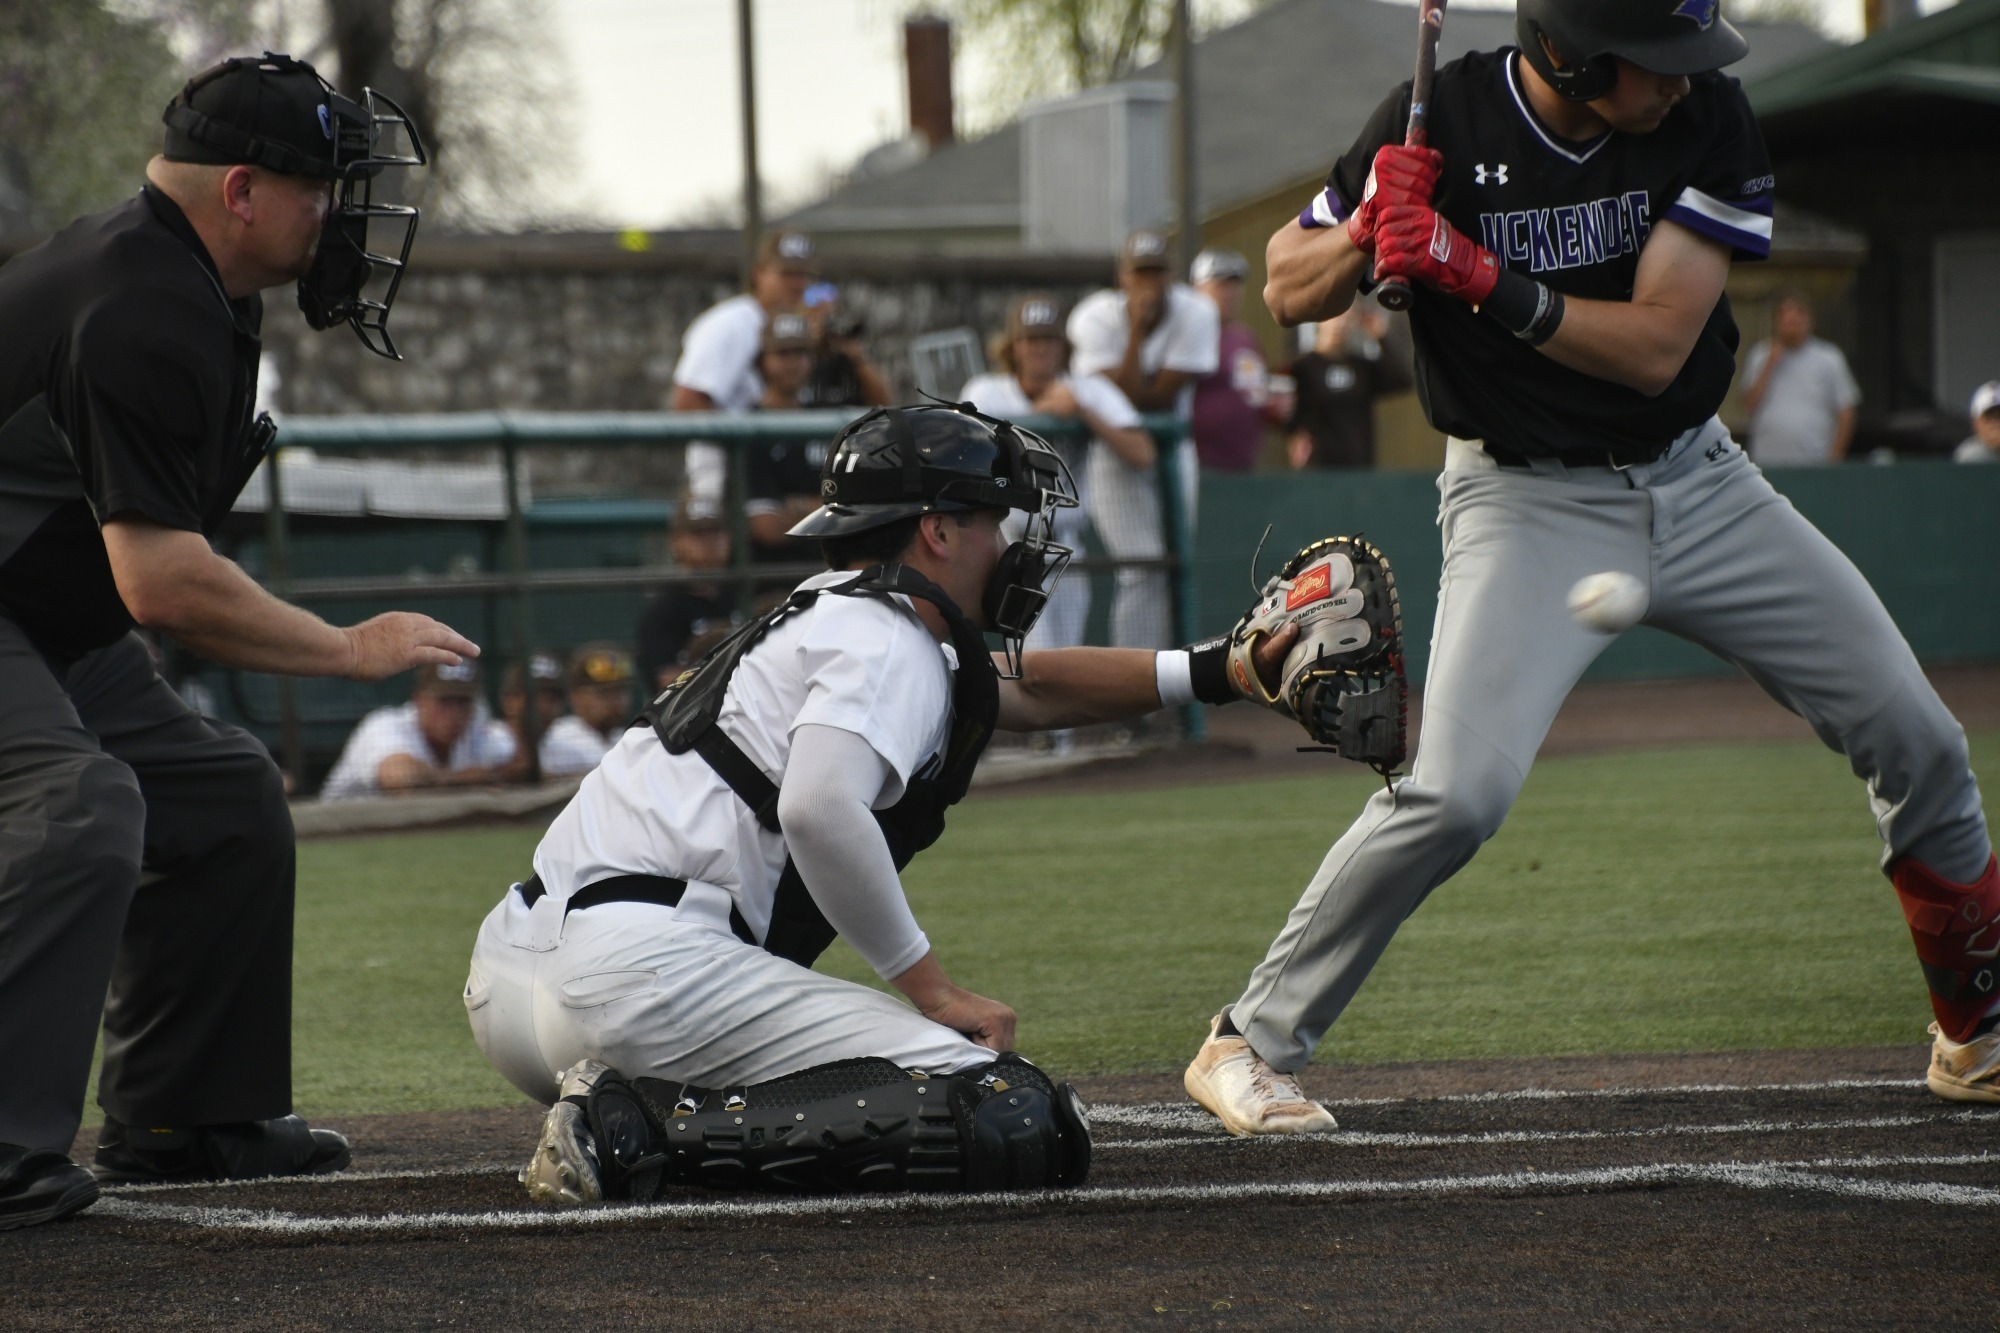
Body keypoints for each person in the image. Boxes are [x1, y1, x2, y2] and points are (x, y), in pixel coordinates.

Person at [1184, 0, 1998, 1137]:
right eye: (1652, 62)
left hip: (1700, 482)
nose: (1677, 79)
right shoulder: (1444, 115)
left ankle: (1975, 1035)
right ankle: (1246, 1041)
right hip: (1521, 499)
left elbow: (1654, 342)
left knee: (1915, 736)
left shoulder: (1705, 113)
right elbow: (1283, 283)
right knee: (1456, 794)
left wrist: (1470, 272)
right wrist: (1370, 228)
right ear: (1569, 51)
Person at [464, 404, 1291, 1204]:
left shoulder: (831, 614)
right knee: (1012, 1111)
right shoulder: (887, 637)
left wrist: (1222, 671)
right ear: (936, 529)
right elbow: (819, 808)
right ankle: (631, 1126)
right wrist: (932, 989)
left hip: (513, 975)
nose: (1006, 543)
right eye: (992, 519)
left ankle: (615, 1107)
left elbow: (1024, 687)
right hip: (642, 980)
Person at [0, 53, 473, 1231]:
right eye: (322, 187)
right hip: (23, 611)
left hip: (38, 613)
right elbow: (162, 581)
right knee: (80, 808)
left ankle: (180, 1112)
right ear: (244, 190)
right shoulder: (140, 297)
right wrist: (347, 647)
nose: (341, 217)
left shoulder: (191, 280)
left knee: (220, 798)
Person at [960, 293, 1155, 650]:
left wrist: (1083, 413)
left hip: (1067, 547)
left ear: (1063, 347)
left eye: (1048, 340)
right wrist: (1039, 420)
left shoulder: (1087, 390)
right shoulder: (987, 391)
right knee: (1033, 661)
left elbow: (1143, 453)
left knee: (1065, 658)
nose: (1040, 349)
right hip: (1008, 543)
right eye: (1030, 340)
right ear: (1013, 347)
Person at [1066, 230, 1220, 648]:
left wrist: (1125, 380)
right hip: (1112, 455)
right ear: (1122, 278)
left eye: (1157, 273)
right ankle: (1132, 684)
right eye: (1140, 274)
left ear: (1172, 276)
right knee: (1140, 569)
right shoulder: (1094, 316)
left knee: (1173, 568)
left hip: (1174, 454)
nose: (1148, 285)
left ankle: (1165, 686)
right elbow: (1123, 399)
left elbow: (1155, 399)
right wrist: (1135, 330)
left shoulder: (1197, 311)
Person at [672, 231, 818, 505]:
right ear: (759, 274)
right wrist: (747, 453)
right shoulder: (729, 324)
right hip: (724, 482)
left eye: (803, 274)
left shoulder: (796, 325)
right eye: (787, 274)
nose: (798, 284)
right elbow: (686, 403)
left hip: (776, 480)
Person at [319, 661, 517, 800]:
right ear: (419, 700)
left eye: (463, 702)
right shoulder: (384, 724)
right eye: (445, 701)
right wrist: (463, 779)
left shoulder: (477, 730)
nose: (455, 712)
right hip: (337, 835)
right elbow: (399, 780)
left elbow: (517, 767)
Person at [745, 311, 834, 569]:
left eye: (801, 352)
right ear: (762, 361)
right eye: (783, 354)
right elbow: (767, 527)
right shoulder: (748, 428)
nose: (794, 362)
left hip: (832, 573)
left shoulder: (826, 419)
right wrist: (829, 507)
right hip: (775, 578)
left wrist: (796, 506)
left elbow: (859, 511)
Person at [1189, 248, 1289, 474]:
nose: (1230, 293)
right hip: (1201, 468)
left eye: (1235, 286)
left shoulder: (1245, 339)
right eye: (1221, 285)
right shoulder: (1187, 338)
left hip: (1244, 466)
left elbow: (1254, 392)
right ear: (1197, 288)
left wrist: (1271, 404)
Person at [1286, 300, 1413, 469]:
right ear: (1320, 319)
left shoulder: (1362, 368)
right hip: (1318, 472)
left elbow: (1402, 380)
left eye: (1347, 318)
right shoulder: (1301, 369)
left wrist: (1381, 337)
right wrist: (1294, 436)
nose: (1340, 324)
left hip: (1359, 471)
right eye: (1334, 317)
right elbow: (1284, 411)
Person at [1740, 290, 1860, 466]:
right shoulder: (1760, 355)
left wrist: (1834, 458)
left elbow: (1846, 410)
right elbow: (1748, 405)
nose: (1792, 321)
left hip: (1814, 461)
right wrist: (1770, 365)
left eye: (1798, 314)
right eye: (1785, 315)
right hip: (1767, 462)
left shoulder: (1829, 357)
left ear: (1810, 320)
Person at [636, 491, 738, 691]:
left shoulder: (744, 593)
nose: (710, 542)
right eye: (698, 534)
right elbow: (669, 685)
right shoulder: (663, 611)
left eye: (716, 532)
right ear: (675, 542)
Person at [540, 643, 637, 776]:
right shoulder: (558, 738)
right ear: (575, 696)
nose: (615, 701)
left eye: (620, 692)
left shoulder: (629, 738)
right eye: (604, 693)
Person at [800, 281, 892, 409]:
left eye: (829, 314)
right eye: (817, 313)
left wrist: (858, 358)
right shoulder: (796, 355)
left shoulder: (848, 358)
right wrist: (810, 346)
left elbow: (884, 401)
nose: (825, 320)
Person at [500, 650, 568, 779]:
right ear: (508, 701)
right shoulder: (492, 740)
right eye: (534, 697)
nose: (543, 706)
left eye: (552, 699)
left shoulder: (563, 746)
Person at [1952, 381, 2000, 463]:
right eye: (1989, 418)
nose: (1995, 424)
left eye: (1999, 417)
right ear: (1976, 423)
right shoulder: (1969, 457)